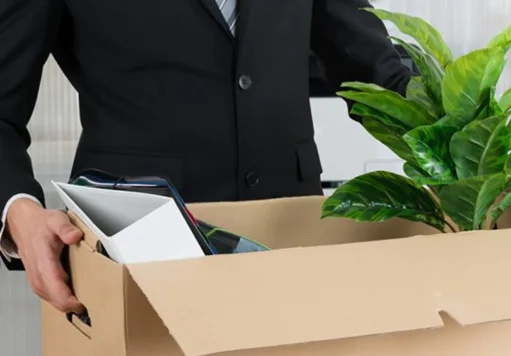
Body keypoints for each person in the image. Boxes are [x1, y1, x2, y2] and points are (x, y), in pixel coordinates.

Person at [0, 0, 411, 314]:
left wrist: (467, 148)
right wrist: (20, 213)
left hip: (291, 242)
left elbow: (375, 69)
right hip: (139, 253)